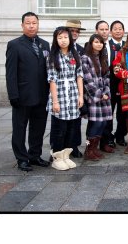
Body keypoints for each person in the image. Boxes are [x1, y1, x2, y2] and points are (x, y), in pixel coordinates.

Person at [5, 12, 50, 171]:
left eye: (34, 23)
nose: (31, 26)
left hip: (41, 95)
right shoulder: (14, 45)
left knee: (38, 128)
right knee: (19, 128)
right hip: (22, 96)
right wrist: (13, 95)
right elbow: (10, 73)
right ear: (22, 25)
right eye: (28, 23)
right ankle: (22, 159)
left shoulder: (45, 45)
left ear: (38, 24)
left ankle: (35, 155)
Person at [47, 27, 83, 170]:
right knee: (59, 129)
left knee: (71, 128)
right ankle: (57, 158)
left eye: (65, 37)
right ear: (56, 40)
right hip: (60, 95)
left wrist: (81, 96)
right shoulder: (52, 57)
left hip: (73, 94)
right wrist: (55, 101)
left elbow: (79, 76)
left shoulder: (75, 55)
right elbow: (52, 80)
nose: (63, 40)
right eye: (60, 37)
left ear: (70, 39)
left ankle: (66, 156)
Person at [81, 34, 113, 160]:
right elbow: (87, 80)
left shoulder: (102, 58)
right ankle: (89, 150)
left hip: (104, 97)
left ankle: (94, 148)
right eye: (96, 42)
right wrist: (99, 94)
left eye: (101, 42)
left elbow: (106, 77)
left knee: (103, 123)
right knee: (95, 123)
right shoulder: (85, 58)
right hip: (93, 97)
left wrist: (106, 92)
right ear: (91, 43)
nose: (99, 44)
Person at [94, 20, 116, 153]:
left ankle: (106, 141)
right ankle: (92, 144)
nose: (104, 31)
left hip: (110, 85)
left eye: (106, 29)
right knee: (96, 118)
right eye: (101, 29)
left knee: (108, 115)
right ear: (97, 31)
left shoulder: (113, 46)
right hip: (95, 87)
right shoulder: (90, 46)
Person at [65, 19, 86, 158]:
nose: (74, 33)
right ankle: (58, 148)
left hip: (77, 91)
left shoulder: (81, 49)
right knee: (60, 122)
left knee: (76, 121)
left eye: (76, 31)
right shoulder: (58, 48)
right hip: (63, 90)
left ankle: (74, 147)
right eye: (71, 31)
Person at [108, 20, 128, 147]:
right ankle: (108, 137)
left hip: (124, 84)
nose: (118, 30)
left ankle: (120, 135)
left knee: (123, 112)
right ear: (111, 31)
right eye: (115, 28)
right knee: (109, 111)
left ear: (123, 31)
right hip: (109, 83)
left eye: (120, 28)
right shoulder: (106, 45)